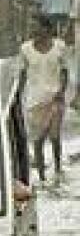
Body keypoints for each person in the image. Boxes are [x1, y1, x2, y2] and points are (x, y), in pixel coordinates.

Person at [19, 15, 70, 185]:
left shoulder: (59, 47)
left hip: (55, 98)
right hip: (34, 100)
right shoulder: (25, 49)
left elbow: (64, 71)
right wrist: (17, 97)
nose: (33, 30)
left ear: (46, 29)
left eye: (37, 26)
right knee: (38, 140)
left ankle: (57, 170)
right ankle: (41, 176)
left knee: (55, 137)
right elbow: (22, 74)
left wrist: (61, 91)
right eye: (32, 27)